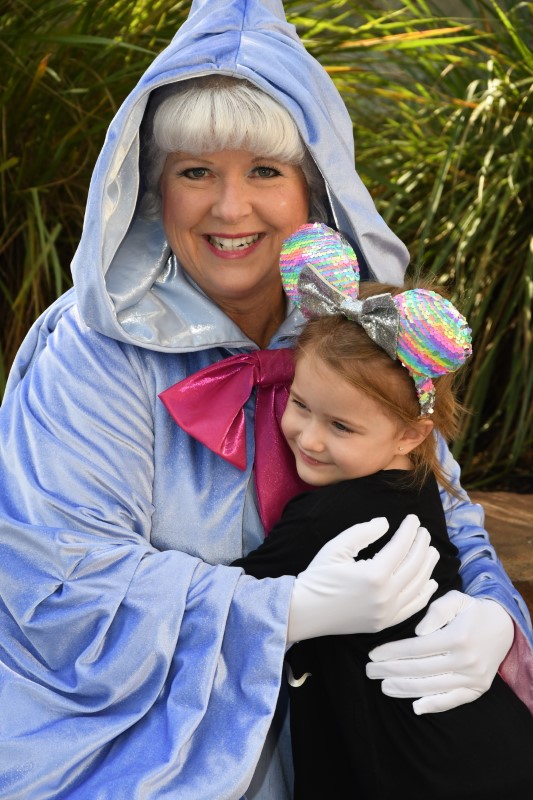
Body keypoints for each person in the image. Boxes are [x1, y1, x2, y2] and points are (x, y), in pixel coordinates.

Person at [0, 2, 531, 799]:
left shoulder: (356, 328)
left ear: (312, 186)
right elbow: (58, 584)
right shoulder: (91, 352)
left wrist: (493, 618)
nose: (228, 208)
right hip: (153, 738)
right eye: (195, 171)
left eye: (264, 171)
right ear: (154, 190)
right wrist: (282, 611)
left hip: (353, 732)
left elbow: (445, 505)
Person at [188, 221, 531, 799]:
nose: (308, 437)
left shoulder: (328, 519)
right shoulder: (416, 485)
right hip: (487, 744)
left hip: (421, 769)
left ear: (411, 434)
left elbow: (226, 605)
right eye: (300, 404)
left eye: (341, 426)